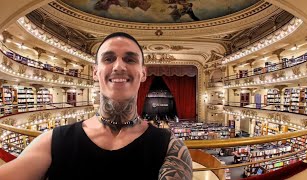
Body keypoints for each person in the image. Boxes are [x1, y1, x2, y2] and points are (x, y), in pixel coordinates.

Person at [0, 32, 193, 179]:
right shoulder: (52, 141)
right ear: (95, 72)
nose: (118, 66)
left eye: (130, 59)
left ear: (143, 73)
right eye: (108, 59)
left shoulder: (171, 147)